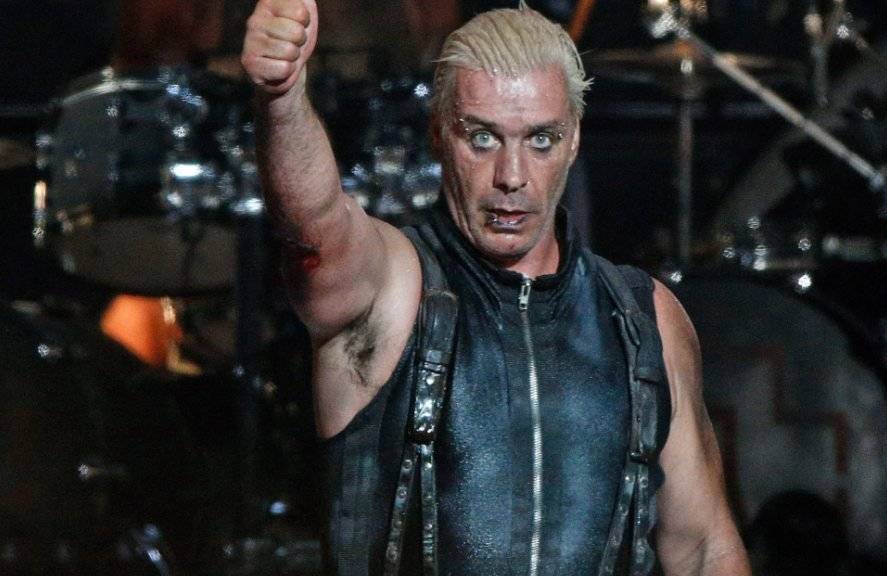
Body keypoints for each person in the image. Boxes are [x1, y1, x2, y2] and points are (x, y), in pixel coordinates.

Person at [241, 1, 751, 574]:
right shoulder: (392, 289)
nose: (512, 177)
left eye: (541, 140)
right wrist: (282, 98)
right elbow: (314, 228)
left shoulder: (645, 318)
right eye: (483, 138)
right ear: (439, 135)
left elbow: (705, 547)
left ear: (574, 141)